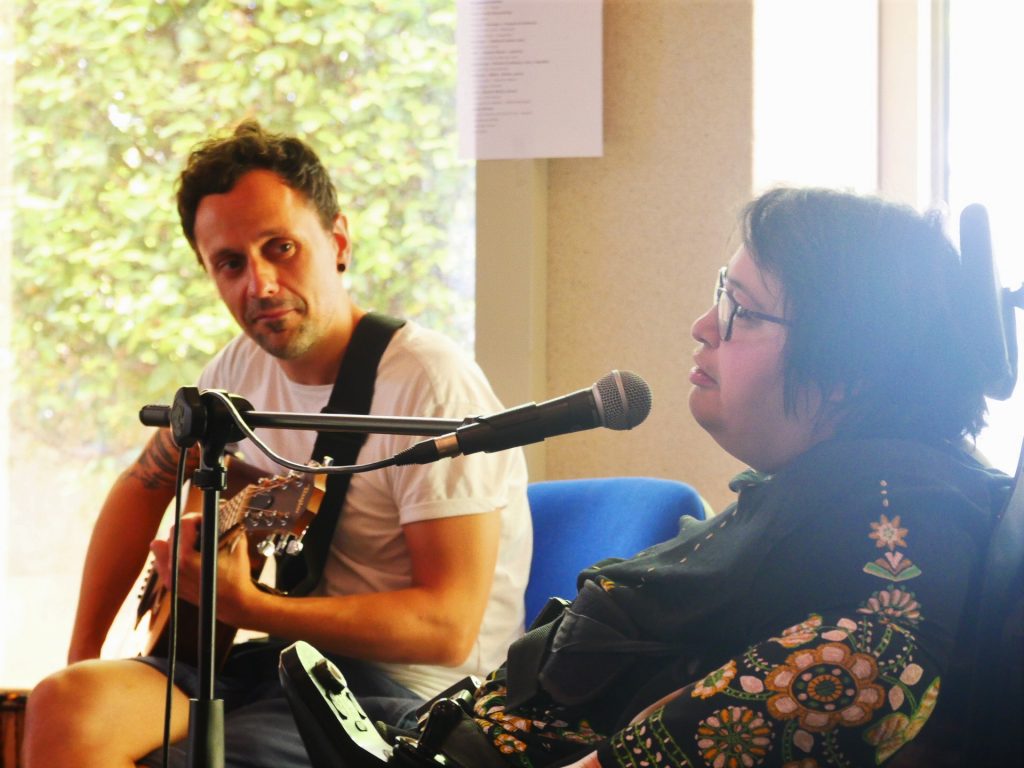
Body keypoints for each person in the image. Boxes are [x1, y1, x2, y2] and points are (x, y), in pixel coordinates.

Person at [313, 187, 1012, 767]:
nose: (704, 324)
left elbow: (876, 665)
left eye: (743, 309)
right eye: (720, 293)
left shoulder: (907, 516)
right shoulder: (846, 486)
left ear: (847, 372)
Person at [22, 120, 532, 767]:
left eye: (280, 248)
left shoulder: (428, 384)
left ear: (338, 241)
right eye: (230, 263)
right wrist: (85, 652)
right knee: (68, 703)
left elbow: (446, 627)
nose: (258, 284)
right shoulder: (238, 372)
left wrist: (249, 604)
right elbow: (143, 483)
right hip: (288, 667)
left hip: (411, 699)